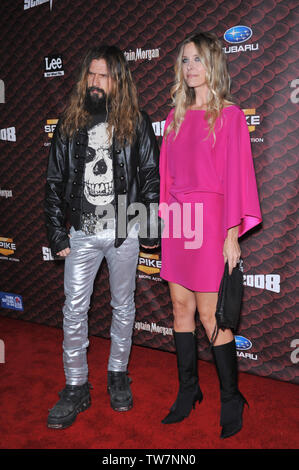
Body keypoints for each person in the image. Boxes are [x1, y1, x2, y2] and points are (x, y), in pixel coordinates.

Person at [44, 45, 160, 429]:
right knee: (74, 310)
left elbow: (149, 178)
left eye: (104, 75)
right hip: (81, 233)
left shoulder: (137, 122)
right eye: (91, 74)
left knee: (123, 306)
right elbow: (55, 181)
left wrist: (150, 230)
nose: (96, 82)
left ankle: (116, 374)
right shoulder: (69, 123)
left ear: (118, 80)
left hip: (123, 231)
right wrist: (57, 231)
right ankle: (76, 386)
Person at [159, 32, 262, 438]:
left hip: (213, 222)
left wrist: (232, 233)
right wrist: (164, 222)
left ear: (213, 65)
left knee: (210, 315)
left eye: (197, 60)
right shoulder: (173, 117)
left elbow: (238, 178)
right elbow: (166, 178)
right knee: (180, 310)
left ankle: (231, 396)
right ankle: (188, 391)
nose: (190, 68)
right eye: (185, 60)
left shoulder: (231, 116)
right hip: (179, 223)